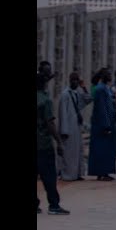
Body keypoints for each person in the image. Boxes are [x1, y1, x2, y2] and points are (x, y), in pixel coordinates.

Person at [37, 66, 69, 215]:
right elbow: (50, 123)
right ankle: (54, 205)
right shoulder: (45, 100)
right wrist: (59, 142)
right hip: (43, 144)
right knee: (49, 176)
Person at [57, 71, 91, 181]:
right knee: (68, 153)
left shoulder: (76, 94)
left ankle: (77, 174)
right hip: (68, 128)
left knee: (78, 151)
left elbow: (88, 99)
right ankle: (67, 175)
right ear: (70, 81)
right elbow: (63, 113)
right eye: (74, 80)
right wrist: (64, 130)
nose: (75, 82)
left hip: (76, 126)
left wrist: (83, 87)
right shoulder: (65, 94)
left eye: (77, 80)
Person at [87, 67, 116, 181]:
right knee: (101, 149)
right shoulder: (100, 89)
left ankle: (105, 171)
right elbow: (102, 109)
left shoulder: (106, 88)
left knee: (107, 150)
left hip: (107, 122)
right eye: (109, 75)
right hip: (102, 125)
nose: (111, 77)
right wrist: (106, 125)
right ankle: (101, 172)